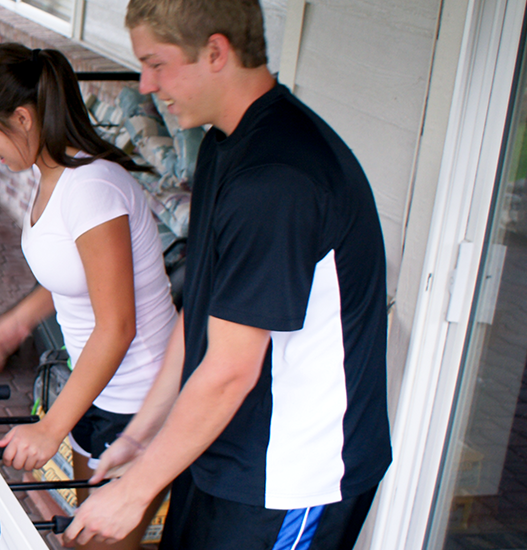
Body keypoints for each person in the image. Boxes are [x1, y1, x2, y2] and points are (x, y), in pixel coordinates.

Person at [63, 1, 392, 548]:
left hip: (290, 476)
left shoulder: (278, 178)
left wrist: (136, 490)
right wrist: (142, 437)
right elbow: (202, 315)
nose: (146, 85)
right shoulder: (224, 145)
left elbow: (230, 370)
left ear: (216, 51)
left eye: (156, 63)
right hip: (228, 446)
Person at [0, 43, 176, 550]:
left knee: (96, 544)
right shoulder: (51, 174)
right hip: (95, 389)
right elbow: (71, 275)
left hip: (137, 402)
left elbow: (118, 326)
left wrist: (51, 427)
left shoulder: (92, 189)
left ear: (23, 118)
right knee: (82, 537)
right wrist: (13, 325)